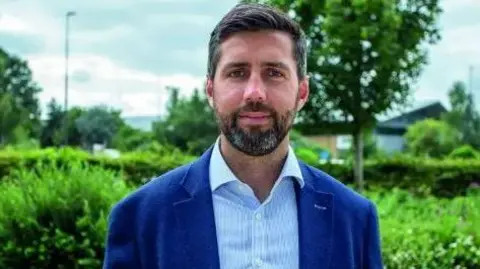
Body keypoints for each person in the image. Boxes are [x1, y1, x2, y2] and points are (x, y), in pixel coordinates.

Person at [103, 3, 383, 269]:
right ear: (211, 90)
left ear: (302, 92)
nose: (254, 93)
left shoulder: (355, 220)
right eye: (237, 73)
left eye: (274, 73)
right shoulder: (140, 218)